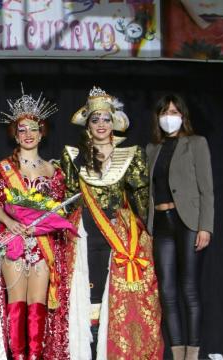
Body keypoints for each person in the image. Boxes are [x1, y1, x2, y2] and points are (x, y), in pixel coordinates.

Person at [50, 86, 163, 359]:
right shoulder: (73, 156)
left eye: (106, 119)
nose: (101, 124)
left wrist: (141, 234)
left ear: (114, 123)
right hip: (84, 236)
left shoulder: (132, 154)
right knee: (89, 292)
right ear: (88, 124)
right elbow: (68, 198)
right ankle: (88, 350)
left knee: (116, 294)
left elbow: (141, 198)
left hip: (119, 239)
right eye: (95, 119)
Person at [0, 88, 65, 360]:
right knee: (16, 305)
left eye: (33, 129)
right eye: (22, 129)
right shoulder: (3, 168)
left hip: (42, 243)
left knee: (37, 306)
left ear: (42, 132)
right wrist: (10, 222)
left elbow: (58, 210)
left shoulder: (54, 171)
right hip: (14, 241)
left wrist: (42, 225)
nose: (28, 134)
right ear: (15, 135)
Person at [146, 94, 214, 360]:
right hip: (161, 224)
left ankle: (193, 353)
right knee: (167, 290)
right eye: (165, 112)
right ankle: (177, 352)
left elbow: (206, 190)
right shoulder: (152, 149)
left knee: (189, 287)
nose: (169, 117)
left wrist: (205, 227)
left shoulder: (196, 143)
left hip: (188, 222)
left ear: (183, 116)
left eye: (174, 112)